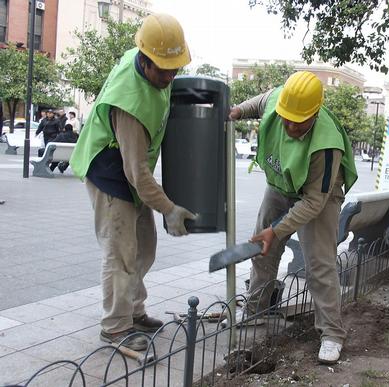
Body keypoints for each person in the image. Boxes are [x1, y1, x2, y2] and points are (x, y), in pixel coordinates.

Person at [69, 13, 197, 351]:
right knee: (121, 253)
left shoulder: (151, 61)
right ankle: (114, 327)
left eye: (176, 68)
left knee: (145, 247)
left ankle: (134, 312)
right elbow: (136, 174)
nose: (170, 75)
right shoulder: (130, 102)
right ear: (145, 60)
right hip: (110, 172)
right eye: (164, 69)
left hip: (132, 168)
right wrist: (169, 209)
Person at [228, 71, 358, 364]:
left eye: (298, 122)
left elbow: (313, 202)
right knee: (262, 252)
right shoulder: (278, 101)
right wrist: (238, 111)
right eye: (286, 117)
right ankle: (255, 311)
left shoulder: (326, 145)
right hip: (281, 185)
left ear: (314, 114)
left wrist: (277, 229)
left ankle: (332, 334)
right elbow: (259, 102)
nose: (289, 125)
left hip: (318, 197)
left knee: (319, 264)